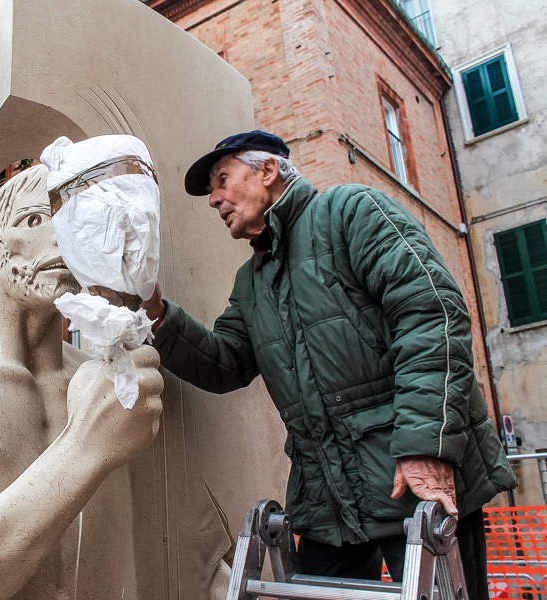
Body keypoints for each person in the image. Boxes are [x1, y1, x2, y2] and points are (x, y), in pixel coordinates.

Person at [142, 130, 515, 599]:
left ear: (268, 171)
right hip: (328, 503)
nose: (214, 198)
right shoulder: (252, 282)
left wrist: (426, 445)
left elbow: (432, 313)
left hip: (414, 483)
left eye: (222, 179)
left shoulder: (352, 212)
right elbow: (225, 362)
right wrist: (155, 312)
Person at [0, 165, 227, 599]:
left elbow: (171, 530)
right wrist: (87, 445)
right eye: (34, 221)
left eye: (74, 220)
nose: (60, 238)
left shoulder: (104, 378)